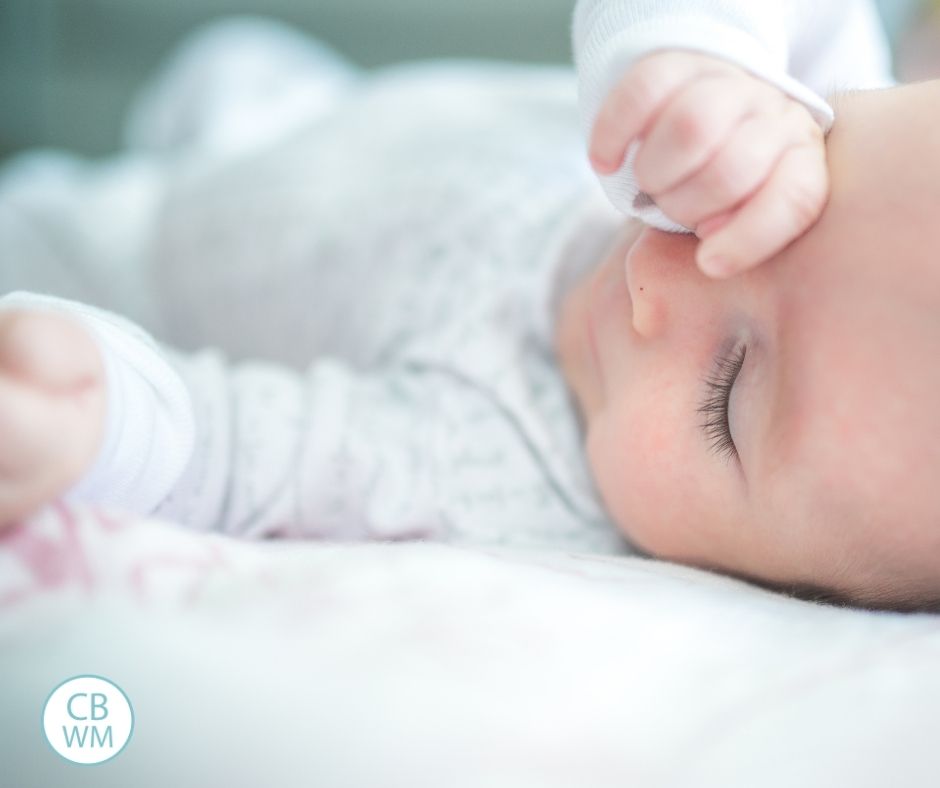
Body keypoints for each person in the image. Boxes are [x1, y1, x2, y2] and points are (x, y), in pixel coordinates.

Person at [3, 1, 931, 611]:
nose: (656, 277)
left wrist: (102, 419)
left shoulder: (493, 476)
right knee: (246, 87)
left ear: (788, 591)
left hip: (149, 247)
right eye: (778, 187)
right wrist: (706, 66)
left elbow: (244, 453)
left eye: (723, 397)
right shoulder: (807, 138)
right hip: (328, 128)